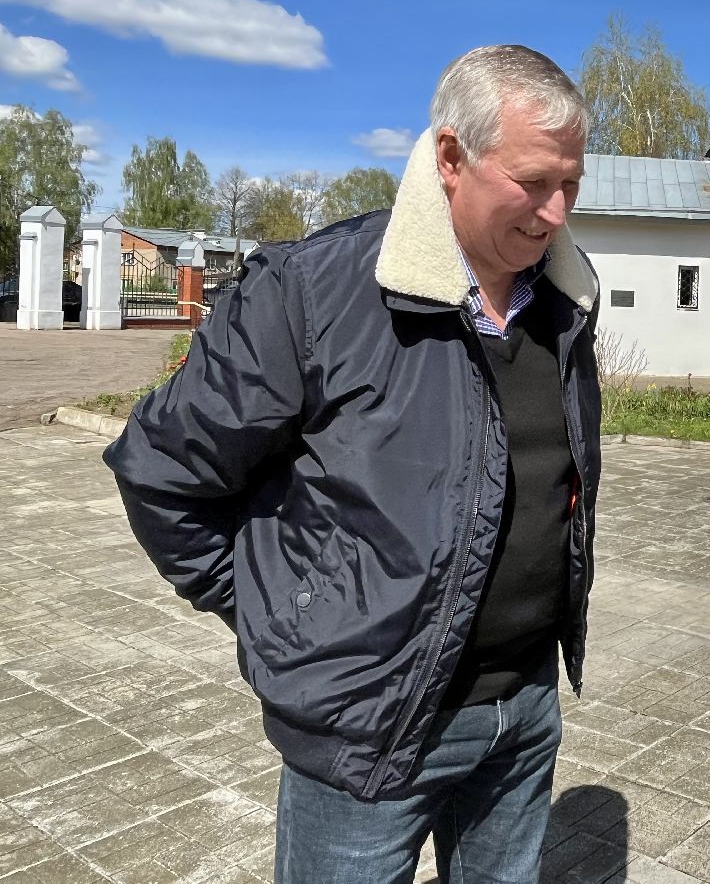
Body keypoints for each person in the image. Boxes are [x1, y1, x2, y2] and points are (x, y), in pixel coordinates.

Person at [103, 45, 602, 884]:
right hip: (366, 728)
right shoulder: (314, 291)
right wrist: (285, 620)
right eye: (533, 182)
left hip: (525, 712)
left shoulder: (564, 303)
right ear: (451, 158)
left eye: (571, 185)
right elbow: (160, 469)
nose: (555, 213)